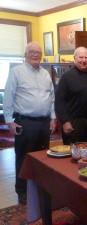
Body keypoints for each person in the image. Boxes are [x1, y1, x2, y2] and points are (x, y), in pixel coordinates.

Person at [3, 42, 56, 204]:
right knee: (24, 158)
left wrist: (53, 117)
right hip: (25, 123)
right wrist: (9, 121)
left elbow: (51, 97)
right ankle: (22, 192)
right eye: (32, 52)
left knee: (43, 157)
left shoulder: (46, 73)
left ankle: (41, 187)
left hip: (44, 123)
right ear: (25, 54)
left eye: (38, 53)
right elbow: (8, 98)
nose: (35, 55)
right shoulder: (16, 72)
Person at [55, 47, 87, 144]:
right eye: (81, 57)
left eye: (86, 58)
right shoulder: (66, 77)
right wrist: (65, 122)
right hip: (73, 123)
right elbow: (59, 101)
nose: (84, 60)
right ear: (74, 58)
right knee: (72, 154)